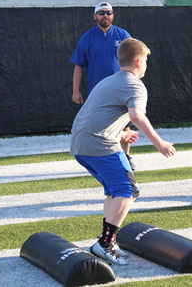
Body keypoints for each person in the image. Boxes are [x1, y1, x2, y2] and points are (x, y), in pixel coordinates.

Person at [70, 38, 176, 265]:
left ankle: (107, 241)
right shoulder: (135, 84)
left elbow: (93, 116)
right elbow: (137, 115)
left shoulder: (107, 81)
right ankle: (104, 244)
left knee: (115, 191)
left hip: (81, 144)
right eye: (146, 60)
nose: (146, 64)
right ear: (138, 61)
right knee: (128, 190)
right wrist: (160, 144)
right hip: (99, 144)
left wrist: (120, 135)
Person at [70, 1, 137, 170]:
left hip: (121, 89)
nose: (105, 15)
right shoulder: (87, 37)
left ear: (113, 15)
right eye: (101, 13)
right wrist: (75, 90)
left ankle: (126, 157)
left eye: (108, 12)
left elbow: (136, 58)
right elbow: (79, 65)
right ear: (95, 16)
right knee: (100, 126)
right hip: (98, 92)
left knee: (124, 123)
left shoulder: (123, 35)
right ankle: (102, 158)